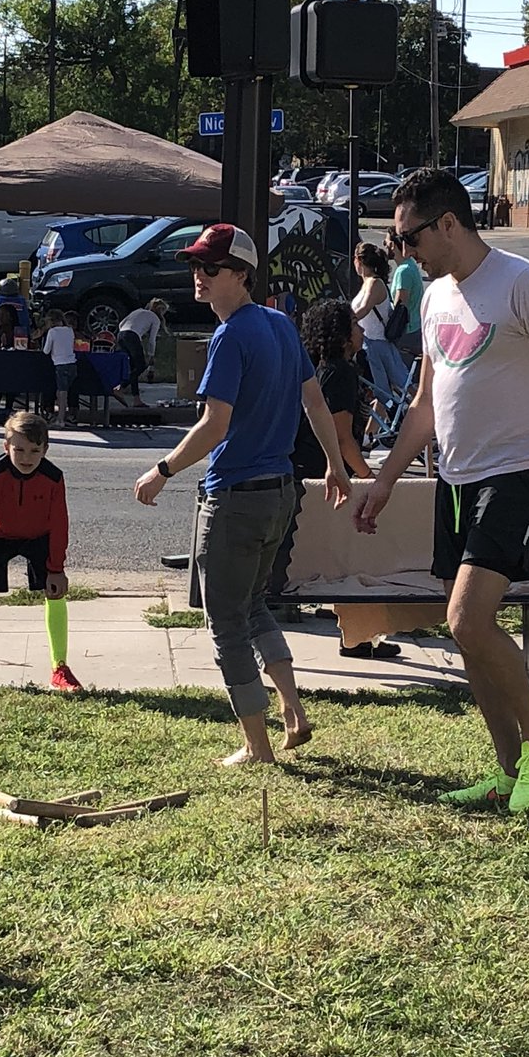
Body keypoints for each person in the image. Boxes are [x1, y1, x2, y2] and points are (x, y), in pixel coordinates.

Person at [354, 168, 529, 813]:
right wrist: (384, 483)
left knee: (466, 618)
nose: (403, 252)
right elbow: (423, 404)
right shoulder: (436, 296)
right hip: (455, 478)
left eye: (408, 237)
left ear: (448, 224)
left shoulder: (522, 282)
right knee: (469, 633)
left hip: (518, 474)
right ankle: (506, 769)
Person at [134, 223, 351, 767]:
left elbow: (214, 425)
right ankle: (293, 713)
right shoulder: (281, 325)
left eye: (209, 268)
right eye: (194, 267)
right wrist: (333, 464)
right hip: (281, 492)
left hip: (234, 496)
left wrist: (163, 469)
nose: (197, 277)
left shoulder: (231, 336)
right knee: (253, 605)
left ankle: (257, 748)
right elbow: (316, 404)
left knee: (225, 620)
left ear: (240, 274)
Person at [287, 298, 402, 660]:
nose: (362, 330)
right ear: (340, 335)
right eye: (355, 324)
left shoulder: (320, 368)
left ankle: (339, 616)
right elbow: (342, 437)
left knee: (334, 553)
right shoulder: (340, 372)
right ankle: (357, 638)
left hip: (306, 470)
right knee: (358, 557)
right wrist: (368, 477)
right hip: (326, 474)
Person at [0, 411, 82, 693]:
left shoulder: (53, 477)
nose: (26, 458)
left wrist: (56, 568)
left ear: (45, 450)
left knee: (55, 591)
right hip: (0, 535)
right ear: (6, 446)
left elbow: (60, 522)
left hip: (39, 536)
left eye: (35, 451)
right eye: (19, 449)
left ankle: (60, 668)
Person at [351, 242, 409, 407]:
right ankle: (388, 420)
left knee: (391, 388)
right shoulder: (367, 283)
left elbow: (364, 308)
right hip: (367, 344)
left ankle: (417, 414)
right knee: (380, 390)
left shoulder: (375, 283)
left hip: (377, 344)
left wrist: (344, 320)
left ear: (358, 261)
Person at [115, 299, 168, 407]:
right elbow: (152, 340)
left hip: (121, 335)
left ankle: (136, 399)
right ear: (160, 311)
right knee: (141, 366)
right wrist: (151, 355)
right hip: (132, 336)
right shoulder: (155, 319)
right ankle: (120, 388)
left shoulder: (138, 311)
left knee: (133, 369)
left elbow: (121, 324)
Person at [384, 227, 424, 364]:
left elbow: (400, 307)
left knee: (402, 374)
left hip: (407, 331)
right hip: (414, 326)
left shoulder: (403, 272)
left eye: (386, 242)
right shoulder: (409, 265)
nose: (384, 245)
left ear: (393, 245)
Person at [42, 310, 77, 427]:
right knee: (63, 391)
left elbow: (46, 350)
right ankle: (66, 416)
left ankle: (60, 419)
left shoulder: (52, 332)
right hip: (72, 364)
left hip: (60, 365)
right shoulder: (70, 330)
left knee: (62, 393)